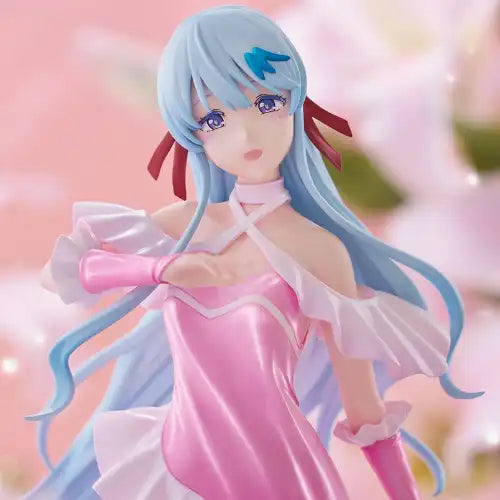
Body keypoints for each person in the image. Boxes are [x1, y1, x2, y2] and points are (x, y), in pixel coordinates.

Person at [24, 5, 483, 500]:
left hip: (285, 477)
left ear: (293, 101)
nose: (245, 134)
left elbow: (364, 411)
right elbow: (62, 274)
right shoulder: (183, 229)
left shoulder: (319, 250)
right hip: (183, 466)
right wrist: (163, 268)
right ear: (192, 132)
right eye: (215, 118)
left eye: (265, 104)